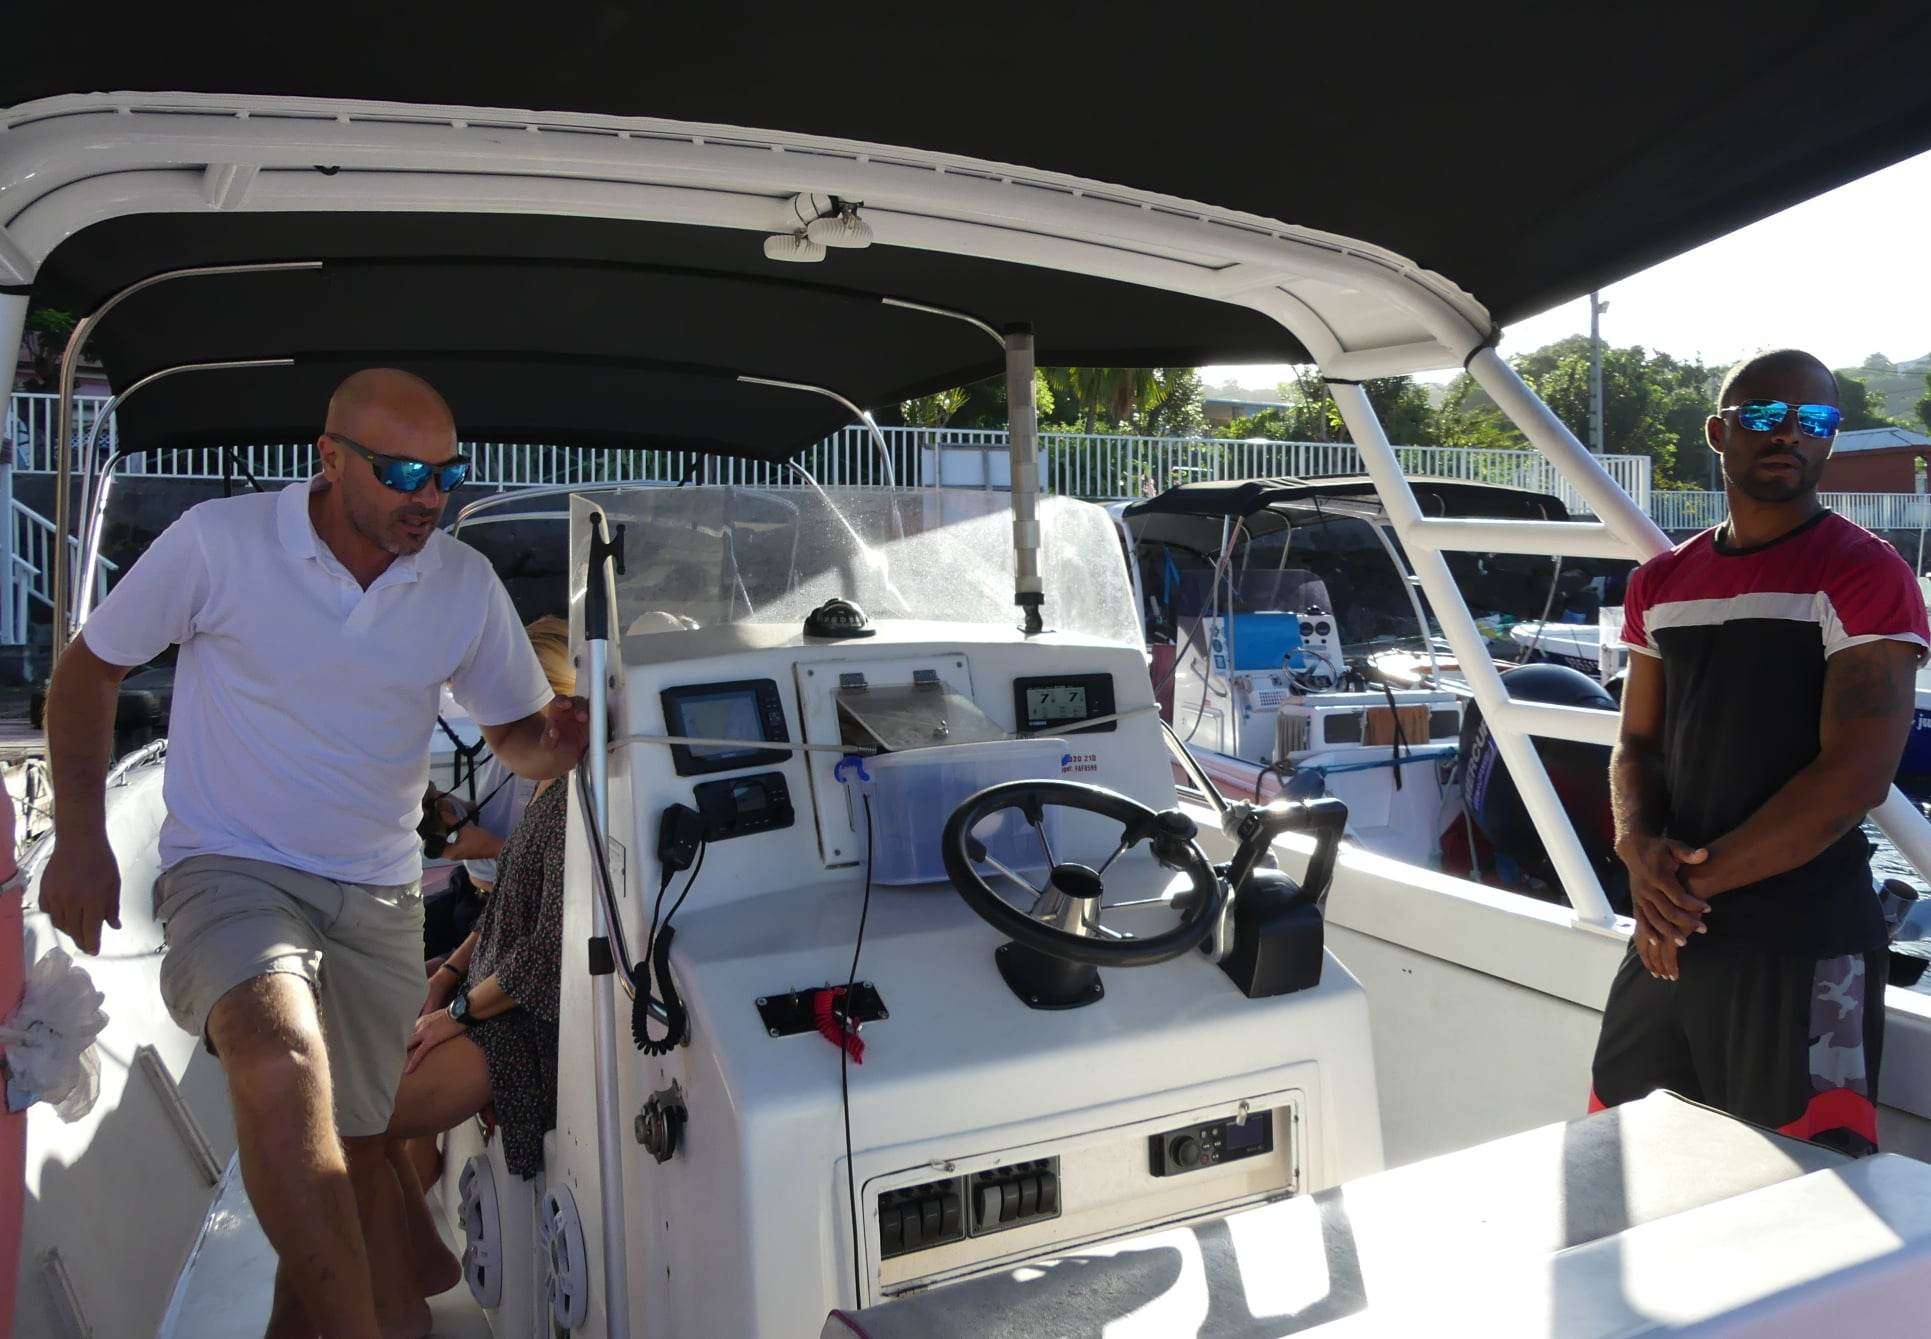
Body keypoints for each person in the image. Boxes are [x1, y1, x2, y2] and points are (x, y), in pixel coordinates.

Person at [38, 369, 590, 1339]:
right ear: (328, 459)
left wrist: (570, 739)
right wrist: (81, 835)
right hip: (231, 866)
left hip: (378, 899)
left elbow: (518, 736)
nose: (430, 497)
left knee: (355, 1146)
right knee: (276, 1043)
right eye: (405, 472)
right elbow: (90, 667)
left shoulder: (458, 582)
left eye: (446, 476)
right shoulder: (221, 544)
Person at [1589, 349, 1926, 1157]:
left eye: (1813, 422)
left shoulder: (1862, 573)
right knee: (1628, 1154)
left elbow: (1853, 778)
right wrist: (1636, 848)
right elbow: (1636, 741)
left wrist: (1679, 889)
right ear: (1718, 432)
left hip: (1802, 943)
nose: (1789, 437)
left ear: (1830, 442)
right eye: (1764, 417)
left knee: (1807, 1195)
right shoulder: (1662, 582)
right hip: (1672, 932)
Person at [419, 617, 570, 964]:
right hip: (469, 892)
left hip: (504, 913)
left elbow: (563, 878)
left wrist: (488, 847)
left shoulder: (567, 774)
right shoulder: (509, 738)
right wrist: (457, 811)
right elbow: (500, 811)